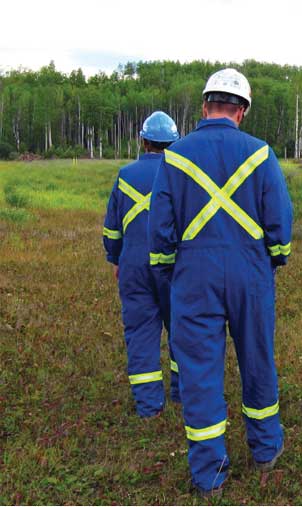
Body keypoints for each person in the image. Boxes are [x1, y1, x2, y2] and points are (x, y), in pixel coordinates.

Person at [148, 68, 293, 495]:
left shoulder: (174, 156)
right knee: (257, 360)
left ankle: (209, 474)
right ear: (242, 110)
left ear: (205, 105)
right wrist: (274, 260)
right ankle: (266, 450)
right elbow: (279, 224)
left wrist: (169, 271)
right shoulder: (261, 154)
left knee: (199, 372)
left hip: (193, 277)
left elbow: (161, 231)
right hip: (250, 274)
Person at [102, 111, 180, 419]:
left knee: (141, 334)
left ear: (143, 141)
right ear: (173, 143)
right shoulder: (180, 174)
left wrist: (116, 257)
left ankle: (149, 408)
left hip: (133, 266)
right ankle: (181, 393)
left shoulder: (125, 175)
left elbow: (112, 229)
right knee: (182, 332)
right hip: (174, 267)